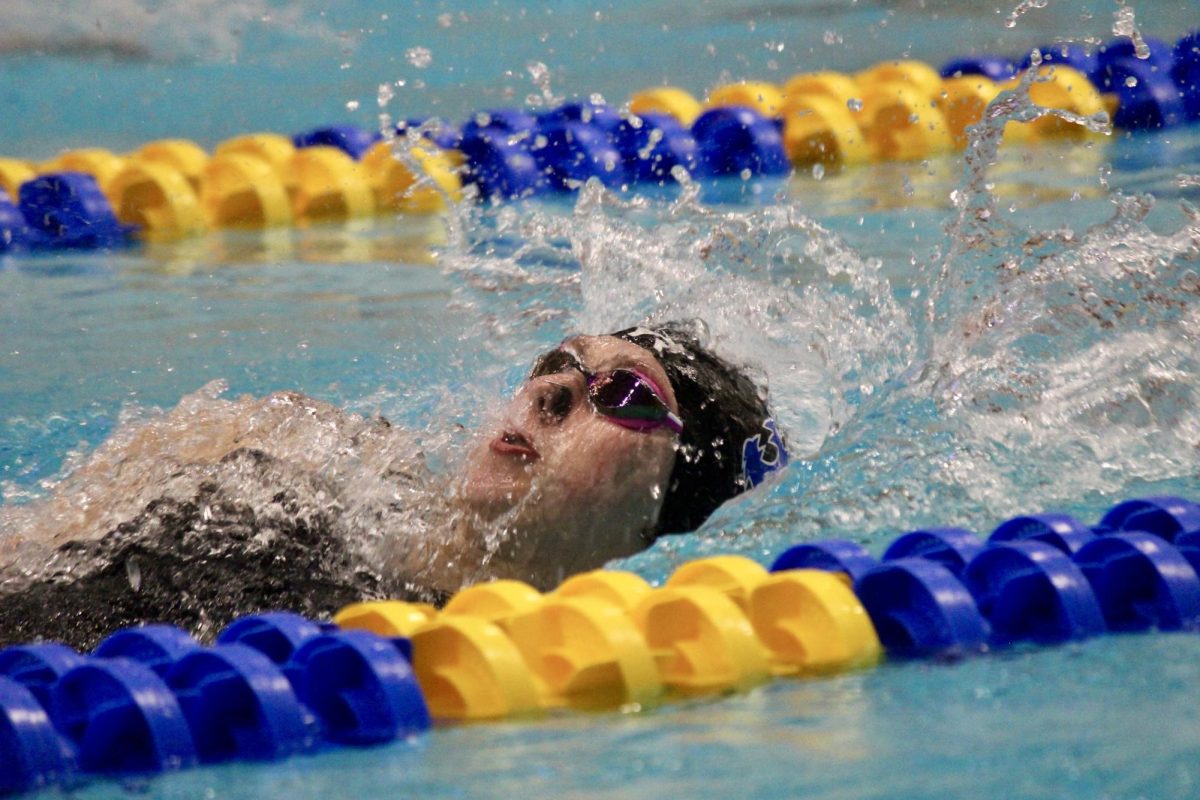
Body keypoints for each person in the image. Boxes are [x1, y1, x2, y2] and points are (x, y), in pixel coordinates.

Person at [0, 321, 787, 647]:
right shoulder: (305, 466)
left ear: (670, 513)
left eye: (623, 396)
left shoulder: (456, 663)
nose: (551, 393)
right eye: (557, 365)